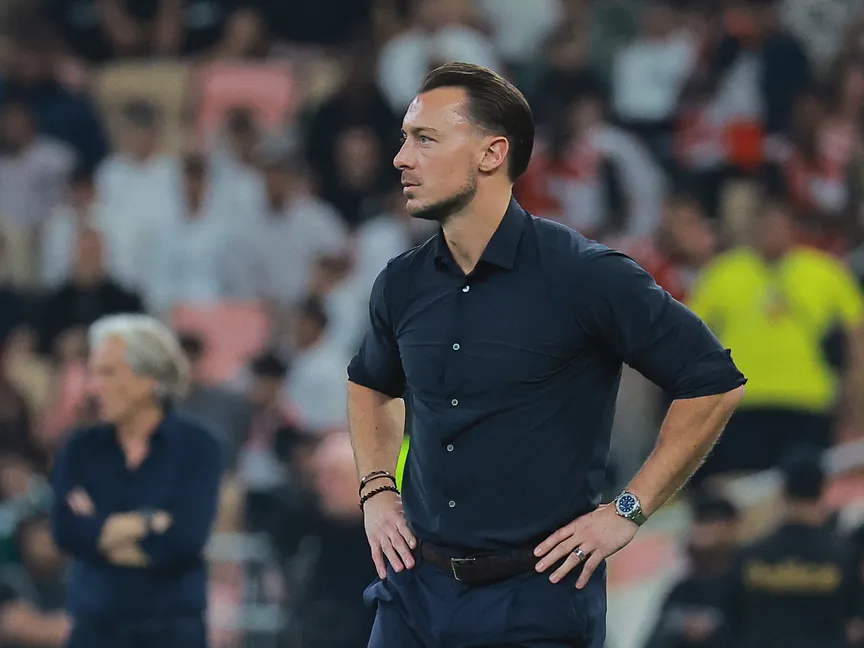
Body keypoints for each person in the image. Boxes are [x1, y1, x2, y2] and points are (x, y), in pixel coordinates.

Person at [346, 61, 747, 648]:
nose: (401, 158)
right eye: (406, 138)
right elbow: (370, 383)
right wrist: (377, 489)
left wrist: (628, 509)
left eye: (425, 139)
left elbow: (713, 382)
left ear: (492, 153)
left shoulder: (585, 275)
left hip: (536, 599)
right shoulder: (400, 282)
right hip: (415, 591)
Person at [49, 314, 224, 648]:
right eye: (93, 372)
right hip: (93, 630)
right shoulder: (79, 448)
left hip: (173, 633)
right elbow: (66, 531)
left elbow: (184, 540)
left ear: (150, 379)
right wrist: (147, 522)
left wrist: (99, 532)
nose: (93, 387)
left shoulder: (200, 447)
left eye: (108, 372)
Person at [725, 445, 856, 648]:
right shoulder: (843, 556)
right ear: (823, 488)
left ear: (783, 490)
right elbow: (854, 622)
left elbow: (732, 622)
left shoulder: (750, 555)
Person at [644, 494, 740, 648]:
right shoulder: (682, 590)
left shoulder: (749, 582)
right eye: (700, 521)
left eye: (711, 522)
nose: (702, 531)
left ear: (731, 527)